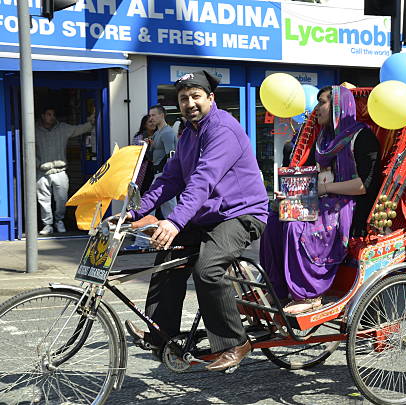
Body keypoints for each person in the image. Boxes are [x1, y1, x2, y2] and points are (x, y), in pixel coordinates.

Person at [123, 70, 269, 372]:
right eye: (183, 98)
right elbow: (170, 180)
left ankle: (234, 342)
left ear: (210, 98)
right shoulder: (188, 133)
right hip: (209, 216)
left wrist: (174, 221)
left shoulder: (223, 129)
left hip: (241, 213)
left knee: (208, 269)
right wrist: (134, 210)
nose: (190, 103)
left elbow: (202, 181)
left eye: (195, 96)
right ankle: (161, 335)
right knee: (169, 257)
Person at [260, 85, 380, 314]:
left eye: (322, 102)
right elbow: (311, 177)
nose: (317, 108)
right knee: (273, 219)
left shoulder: (361, 137)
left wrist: (324, 189)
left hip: (348, 205)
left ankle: (309, 294)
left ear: (338, 106)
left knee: (296, 226)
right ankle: (277, 287)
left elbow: (364, 185)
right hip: (323, 199)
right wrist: (291, 194)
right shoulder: (323, 139)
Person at [35, 106, 95, 235]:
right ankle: (47, 224)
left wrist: (91, 121)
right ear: (42, 116)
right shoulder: (34, 130)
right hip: (42, 171)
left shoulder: (62, 128)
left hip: (60, 171)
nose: (52, 117)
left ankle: (59, 220)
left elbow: (79, 129)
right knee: (43, 200)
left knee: (62, 199)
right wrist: (37, 164)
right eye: (49, 114)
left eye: (53, 114)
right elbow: (26, 148)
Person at [148, 104, 178, 219]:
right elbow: (153, 155)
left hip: (164, 174)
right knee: (169, 207)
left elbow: (171, 155)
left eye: (154, 115)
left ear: (162, 115)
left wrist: (167, 176)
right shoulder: (157, 133)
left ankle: (142, 235)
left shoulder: (167, 133)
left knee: (150, 203)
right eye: (150, 115)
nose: (151, 118)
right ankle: (177, 233)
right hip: (160, 173)